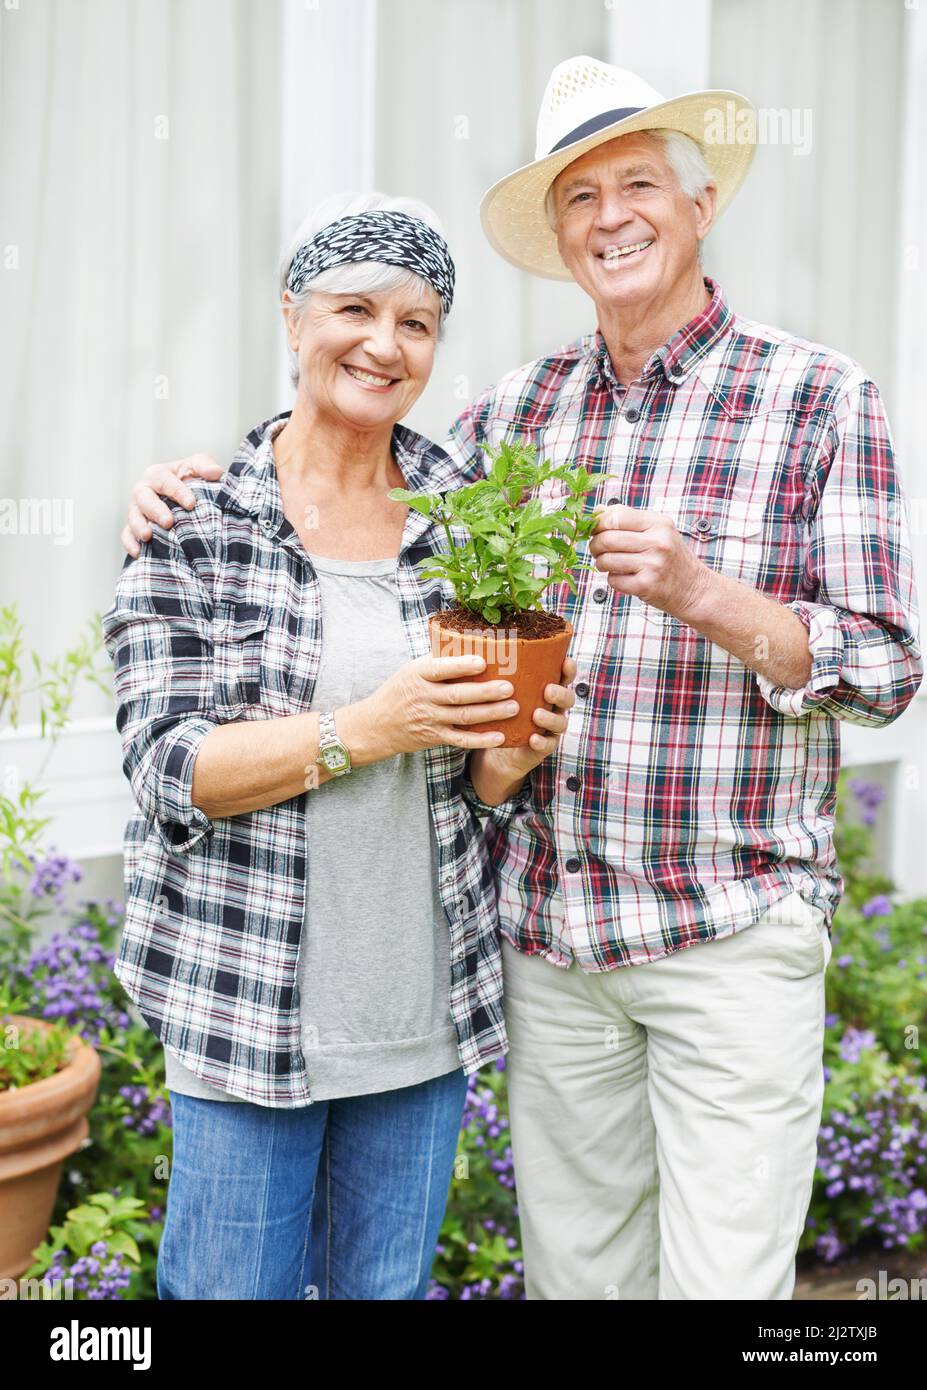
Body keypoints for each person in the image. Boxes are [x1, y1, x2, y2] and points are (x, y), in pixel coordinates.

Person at [120, 58, 923, 1301]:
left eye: (640, 183)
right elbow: (339, 496)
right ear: (559, 235)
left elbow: (885, 669)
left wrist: (706, 594)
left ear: (700, 205)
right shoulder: (514, 421)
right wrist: (176, 489)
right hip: (548, 936)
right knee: (576, 1287)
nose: (612, 216)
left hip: (729, 927)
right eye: (581, 195)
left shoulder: (819, 397)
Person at [102, 190, 574, 1301]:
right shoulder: (203, 523)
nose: (383, 343)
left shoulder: (465, 514)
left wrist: (511, 754)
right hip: (242, 1007)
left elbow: (474, 783)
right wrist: (368, 729)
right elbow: (171, 768)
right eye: (354, 308)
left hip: (416, 1023)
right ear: (292, 316)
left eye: (416, 323)